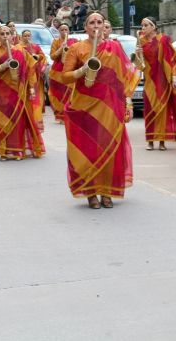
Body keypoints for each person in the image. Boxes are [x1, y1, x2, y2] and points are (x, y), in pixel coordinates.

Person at [61, 12, 136, 209]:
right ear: (85, 27)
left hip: (110, 108)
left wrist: (127, 103)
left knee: (109, 149)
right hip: (84, 108)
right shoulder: (76, 48)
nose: (96, 25)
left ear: (105, 26)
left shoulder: (115, 48)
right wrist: (82, 70)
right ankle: (90, 192)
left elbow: (125, 77)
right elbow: (65, 77)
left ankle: (107, 191)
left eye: (99, 22)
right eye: (91, 22)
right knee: (88, 150)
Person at [0, 26, 44, 160]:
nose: (5, 36)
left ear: (13, 36)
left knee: (17, 120)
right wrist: (3, 66)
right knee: (0, 120)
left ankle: (17, 150)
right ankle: (3, 151)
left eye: (8, 33)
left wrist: (31, 88)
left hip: (18, 91)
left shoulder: (21, 51)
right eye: (2, 34)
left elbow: (30, 68)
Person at [137, 17, 176, 151]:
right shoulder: (141, 41)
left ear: (154, 27)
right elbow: (139, 66)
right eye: (142, 25)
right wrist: (138, 55)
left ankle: (162, 141)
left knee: (162, 111)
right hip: (149, 80)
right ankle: (150, 141)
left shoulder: (163, 40)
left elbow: (173, 60)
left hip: (162, 79)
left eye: (146, 25)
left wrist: (173, 77)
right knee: (150, 109)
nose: (143, 28)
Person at [49, 23, 77, 123]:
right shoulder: (56, 41)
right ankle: (60, 115)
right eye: (62, 30)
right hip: (57, 72)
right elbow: (52, 56)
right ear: (59, 31)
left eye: (66, 29)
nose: (64, 32)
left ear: (69, 31)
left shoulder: (74, 41)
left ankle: (68, 114)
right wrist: (61, 48)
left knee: (69, 93)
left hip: (69, 71)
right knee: (57, 94)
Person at [20, 29, 47, 131]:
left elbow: (42, 56)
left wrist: (37, 57)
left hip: (35, 75)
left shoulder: (35, 46)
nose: (27, 38)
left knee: (36, 97)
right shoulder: (19, 47)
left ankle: (36, 120)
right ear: (21, 36)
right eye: (25, 36)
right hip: (24, 74)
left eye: (28, 36)